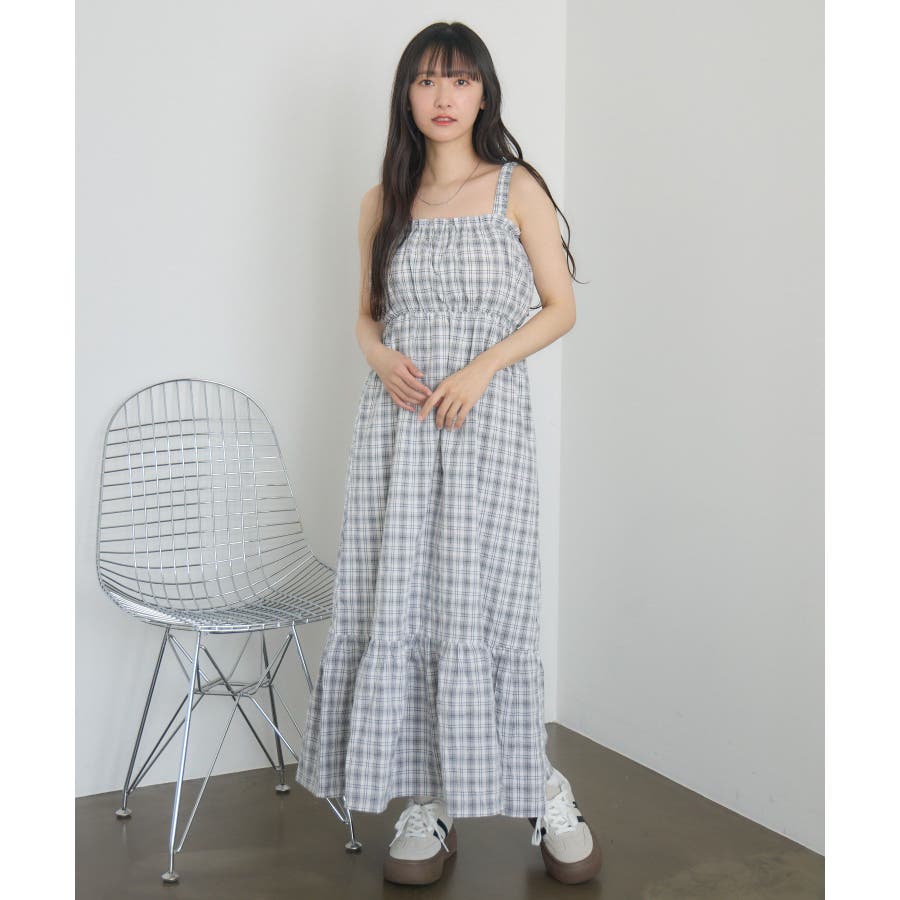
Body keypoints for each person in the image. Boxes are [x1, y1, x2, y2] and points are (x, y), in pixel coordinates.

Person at [295, 21, 602, 886]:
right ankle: (429, 799)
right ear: (407, 94)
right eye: (427, 80)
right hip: (396, 431)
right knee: (408, 598)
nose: (442, 96)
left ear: (483, 94)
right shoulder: (381, 203)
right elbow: (367, 316)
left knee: (484, 600)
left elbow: (560, 307)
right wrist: (377, 354)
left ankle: (540, 785)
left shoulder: (515, 190)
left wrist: (481, 367)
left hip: (484, 426)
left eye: (460, 80)